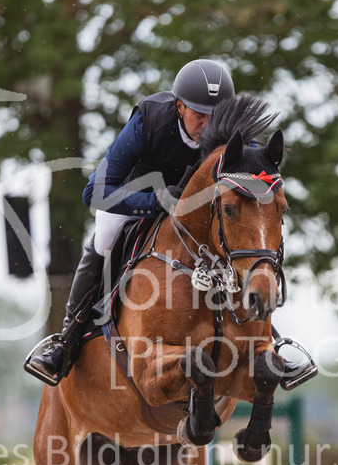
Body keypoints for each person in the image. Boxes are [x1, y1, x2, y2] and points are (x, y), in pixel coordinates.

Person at [25, 59, 316, 390]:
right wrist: (156, 202)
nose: (207, 126)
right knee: (105, 237)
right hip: (136, 198)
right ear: (179, 106)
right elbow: (96, 191)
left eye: (215, 116)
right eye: (198, 115)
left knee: (245, 241)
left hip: (196, 217)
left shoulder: (236, 143)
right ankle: (67, 339)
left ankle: (272, 344)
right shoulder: (150, 119)